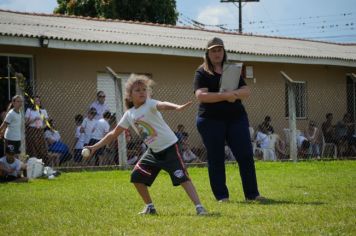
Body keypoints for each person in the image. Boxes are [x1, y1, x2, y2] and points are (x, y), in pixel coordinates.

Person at [86, 74, 207, 215]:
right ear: (130, 96)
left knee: (182, 177)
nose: (142, 92)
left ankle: (199, 207)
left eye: (144, 89)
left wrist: (177, 107)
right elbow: (113, 134)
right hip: (153, 152)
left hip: (170, 148)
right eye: (137, 90)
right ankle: (150, 207)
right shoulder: (129, 114)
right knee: (136, 177)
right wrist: (94, 147)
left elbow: (162, 104)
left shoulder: (149, 104)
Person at [193, 37, 264, 202]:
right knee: (216, 157)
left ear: (224, 51)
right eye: (213, 50)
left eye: (219, 50)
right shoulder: (202, 72)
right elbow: (201, 96)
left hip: (236, 118)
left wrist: (235, 95)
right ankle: (222, 196)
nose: (217, 53)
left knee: (245, 155)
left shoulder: (231, 69)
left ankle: (252, 194)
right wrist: (225, 96)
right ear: (208, 53)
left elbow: (246, 90)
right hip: (210, 120)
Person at [24, 96, 48, 161]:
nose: (37, 102)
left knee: (41, 149)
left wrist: (42, 127)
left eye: (38, 101)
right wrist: (34, 120)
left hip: (40, 131)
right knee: (32, 149)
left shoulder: (43, 111)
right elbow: (25, 123)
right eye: (35, 101)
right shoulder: (29, 110)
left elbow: (46, 123)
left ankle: (43, 164)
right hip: (31, 131)